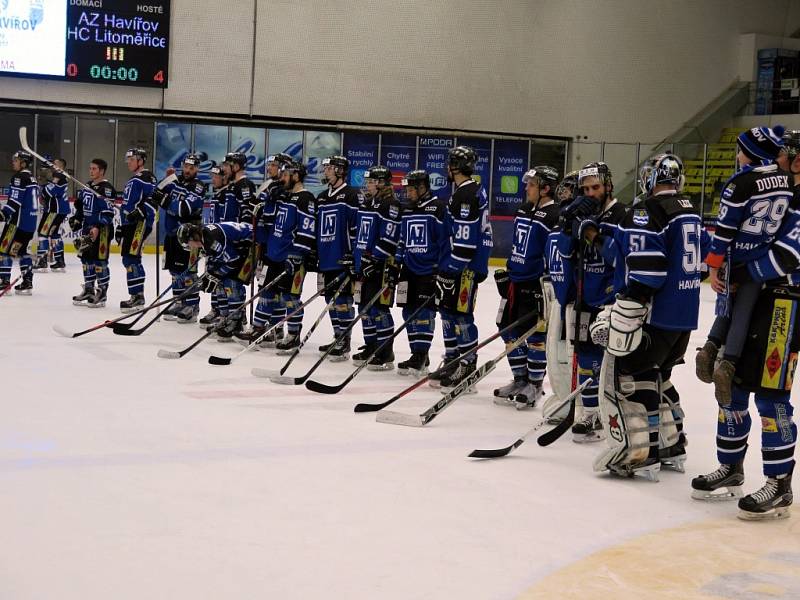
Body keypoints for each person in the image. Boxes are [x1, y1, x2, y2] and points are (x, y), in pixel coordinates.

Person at [691, 130, 800, 520]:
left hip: (785, 309)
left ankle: (780, 484)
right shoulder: (778, 192)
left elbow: (788, 255)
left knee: (772, 398)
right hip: (750, 300)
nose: (786, 164)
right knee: (731, 385)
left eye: (790, 158)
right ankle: (732, 467)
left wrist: (740, 270)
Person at [586, 153, 703, 481]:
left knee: (635, 378)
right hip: (685, 314)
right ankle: (673, 443)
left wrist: (630, 306)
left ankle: (644, 452)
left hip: (656, 312)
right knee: (660, 378)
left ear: (650, 179)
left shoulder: (647, 210)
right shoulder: (689, 209)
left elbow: (648, 268)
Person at [696, 125, 792, 405]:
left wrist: (713, 267)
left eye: (740, 150)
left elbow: (723, 232)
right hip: (761, 256)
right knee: (743, 309)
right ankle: (721, 357)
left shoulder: (740, 184)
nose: (737, 155)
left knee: (734, 308)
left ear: (750, 154)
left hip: (735, 258)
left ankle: (721, 356)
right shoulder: (784, 180)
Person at [555, 162, 627, 441]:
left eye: (595, 188)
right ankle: (592, 414)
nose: (590, 194)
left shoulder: (622, 215)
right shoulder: (582, 212)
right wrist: (568, 226)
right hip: (586, 298)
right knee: (586, 359)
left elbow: (619, 258)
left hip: (613, 302)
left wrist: (592, 234)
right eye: (585, 189)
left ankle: (616, 416)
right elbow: (565, 254)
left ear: (608, 186)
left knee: (614, 364)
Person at [494, 166, 560, 409]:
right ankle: (520, 379)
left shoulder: (555, 215)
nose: (526, 188)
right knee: (507, 330)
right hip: (515, 281)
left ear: (545, 188)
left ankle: (534, 384)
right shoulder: (523, 210)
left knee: (535, 336)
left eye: (532, 184)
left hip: (535, 285)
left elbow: (552, 256)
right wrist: (509, 272)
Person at [433, 145, 493, 391]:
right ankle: (453, 360)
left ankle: (467, 364)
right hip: (457, 263)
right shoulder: (467, 190)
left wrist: (451, 269)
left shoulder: (466, 194)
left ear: (455, 167)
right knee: (448, 313)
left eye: (450, 163)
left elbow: (466, 244)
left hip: (464, 267)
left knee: (461, 315)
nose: (447, 168)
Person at [248, 160, 315, 350]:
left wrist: (296, 255)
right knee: (267, 293)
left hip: (291, 257)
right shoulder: (284, 197)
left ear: (296, 176)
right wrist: (269, 201)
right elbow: (270, 223)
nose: (282, 178)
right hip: (273, 254)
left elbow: (307, 229)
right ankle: (259, 329)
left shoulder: (306, 198)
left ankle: (293, 335)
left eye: (286, 175)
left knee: (290, 298)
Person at [393, 170, 448, 376]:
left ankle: (422, 355)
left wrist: (440, 268)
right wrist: (396, 264)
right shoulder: (407, 209)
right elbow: (401, 240)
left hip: (429, 271)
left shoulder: (438, 208)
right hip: (408, 269)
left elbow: (444, 241)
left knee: (424, 313)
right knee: (408, 311)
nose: (407, 193)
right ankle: (415, 353)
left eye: (410, 189)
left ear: (422, 188)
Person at [348, 165, 402, 370]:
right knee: (363, 307)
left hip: (381, 265)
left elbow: (389, 238)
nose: (367, 185)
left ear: (381, 183)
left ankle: (385, 350)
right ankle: (371, 345)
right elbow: (362, 234)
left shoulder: (391, 204)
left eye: (371, 181)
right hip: (364, 262)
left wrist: (374, 258)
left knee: (378, 308)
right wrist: (354, 258)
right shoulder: (369, 203)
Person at [149, 153, 206, 323]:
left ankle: (192, 306)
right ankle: (179, 301)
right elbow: (155, 192)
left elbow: (183, 209)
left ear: (197, 169)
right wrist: (167, 180)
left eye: (192, 167)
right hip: (172, 233)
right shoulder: (175, 180)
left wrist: (165, 200)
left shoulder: (198, 186)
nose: (188, 170)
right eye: (186, 166)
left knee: (187, 272)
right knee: (174, 271)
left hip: (189, 236)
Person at [315, 155, 360, 361]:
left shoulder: (351, 195)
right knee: (330, 300)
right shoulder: (322, 197)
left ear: (340, 170)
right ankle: (337, 336)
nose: (326, 171)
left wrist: (353, 256)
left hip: (342, 258)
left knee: (343, 301)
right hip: (326, 258)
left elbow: (356, 228)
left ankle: (344, 340)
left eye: (329, 168)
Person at [177, 221, 255, 341]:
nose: (190, 247)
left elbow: (233, 260)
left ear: (194, 237)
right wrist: (210, 276)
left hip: (253, 244)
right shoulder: (205, 238)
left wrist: (215, 275)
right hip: (237, 248)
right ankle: (225, 318)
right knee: (218, 284)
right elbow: (217, 262)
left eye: (189, 243)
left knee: (231, 283)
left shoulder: (211, 240)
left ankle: (236, 321)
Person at [250, 153, 293, 344]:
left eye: (274, 165)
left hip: (279, 247)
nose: (270, 168)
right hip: (267, 245)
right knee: (267, 286)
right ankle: (271, 327)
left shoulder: (287, 190)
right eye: (270, 165)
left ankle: (275, 327)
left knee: (276, 289)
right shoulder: (269, 185)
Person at [69, 158, 117, 307]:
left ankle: (102, 293)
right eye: (90, 168)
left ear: (102, 171)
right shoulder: (87, 186)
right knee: (86, 260)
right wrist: (77, 218)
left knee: (100, 262)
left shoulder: (106, 189)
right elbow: (82, 208)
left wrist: (96, 226)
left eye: (94, 169)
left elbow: (108, 213)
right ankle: (89, 289)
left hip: (102, 230)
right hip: (87, 228)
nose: (91, 171)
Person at [117, 147, 157, 312]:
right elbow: (128, 206)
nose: (129, 163)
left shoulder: (146, 177)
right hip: (131, 225)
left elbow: (154, 199)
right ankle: (136, 295)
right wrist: (121, 225)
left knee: (131, 258)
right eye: (129, 160)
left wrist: (140, 212)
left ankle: (137, 296)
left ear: (140, 161)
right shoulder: (134, 179)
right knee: (129, 258)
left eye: (132, 160)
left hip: (140, 225)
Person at [0, 150, 39, 295]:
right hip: (29, 223)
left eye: (16, 160)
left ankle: (4, 282)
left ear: (23, 163)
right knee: (21, 251)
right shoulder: (32, 178)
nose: (13, 162)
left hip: (17, 222)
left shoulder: (19, 177)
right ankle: (27, 282)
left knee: (4, 250)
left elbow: (15, 201)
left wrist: (4, 213)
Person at [199, 164, 231, 328]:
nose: (213, 179)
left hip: (221, 243)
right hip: (211, 242)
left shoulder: (227, 196)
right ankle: (215, 308)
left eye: (216, 176)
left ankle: (225, 312)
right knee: (212, 276)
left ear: (225, 178)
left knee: (221, 278)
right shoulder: (216, 195)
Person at [33, 157, 69, 273]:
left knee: (43, 233)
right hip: (58, 210)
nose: (53, 165)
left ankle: (42, 261)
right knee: (55, 234)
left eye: (56, 163)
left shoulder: (60, 176)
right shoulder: (58, 177)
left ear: (61, 167)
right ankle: (60, 261)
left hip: (54, 211)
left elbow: (49, 192)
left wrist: (43, 187)